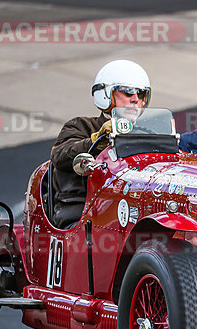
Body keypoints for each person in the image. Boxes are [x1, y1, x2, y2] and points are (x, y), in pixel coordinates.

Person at [49, 59, 151, 228]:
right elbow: (59, 155)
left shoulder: (148, 135)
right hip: (82, 212)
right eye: (127, 92)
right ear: (105, 94)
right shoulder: (81, 125)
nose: (135, 99)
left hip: (131, 210)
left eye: (141, 94)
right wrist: (98, 139)